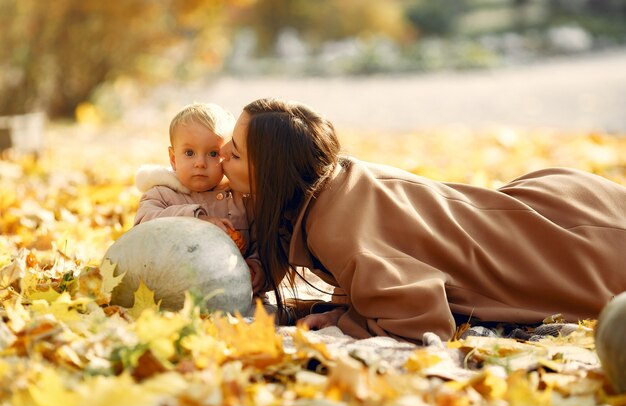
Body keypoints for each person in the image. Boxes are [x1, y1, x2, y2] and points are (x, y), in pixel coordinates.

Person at [220, 97, 626, 344]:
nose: (221, 152)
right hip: (562, 203)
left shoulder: (333, 227)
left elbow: (423, 319)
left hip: (577, 252)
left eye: (235, 153)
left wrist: (345, 321)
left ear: (270, 176)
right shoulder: (340, 179)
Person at [134, 102, 266, 299]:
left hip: (231, 292)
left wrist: (257, 266)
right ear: (172, 158)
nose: (200, 163)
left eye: (213, 153)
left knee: (263, 313)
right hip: (174, 289)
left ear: (227, 154)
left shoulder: (241, 199)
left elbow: (261, 243)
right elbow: (142, 225)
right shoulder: (162, 193)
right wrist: (195, 219)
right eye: (189, 153)